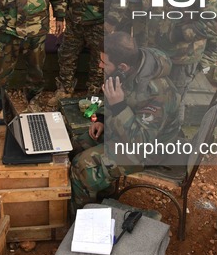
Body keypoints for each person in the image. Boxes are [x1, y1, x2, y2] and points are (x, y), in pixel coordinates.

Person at [70, 31, 181, 210]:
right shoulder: (128, 69)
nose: (99, 65)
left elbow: (141, 141)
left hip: (148, 150)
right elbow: (114, 98)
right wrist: (102, 118)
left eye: (104, 63)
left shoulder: (157, 93)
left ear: (122, 66)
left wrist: (119, 106)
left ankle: (82, 221)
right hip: (125, 131)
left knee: (82, 168)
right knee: (75, 146)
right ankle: (104, 195)